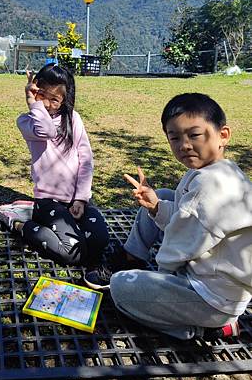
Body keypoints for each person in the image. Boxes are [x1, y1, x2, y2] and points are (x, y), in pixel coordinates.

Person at [106, 93, 252, 341]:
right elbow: (187, 220)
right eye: (174, 138)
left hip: (210, 300)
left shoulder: (211, 185)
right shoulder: (221, 170)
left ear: (223, 135)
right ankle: (132, 257)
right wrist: (155, 207)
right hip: (218, 283)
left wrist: (159, 278)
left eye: (194, 135)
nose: (184, 145)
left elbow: (178, 246)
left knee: (120, 287)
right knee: (161, 196)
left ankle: (201, 330)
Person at [0, 64, 109, 279]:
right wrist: (32, 103)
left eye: (54, 99)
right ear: (34, 89)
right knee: (71, 252)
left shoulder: (73, 119)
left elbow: (86, 160)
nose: (46, 104)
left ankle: (29, 209)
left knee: (99, 241)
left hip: (76, 199)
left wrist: (81, 199)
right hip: (48, 201)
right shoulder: (26, 122)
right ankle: (18, 223)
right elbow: (46, 129)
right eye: (41, 95)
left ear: (65, 100)